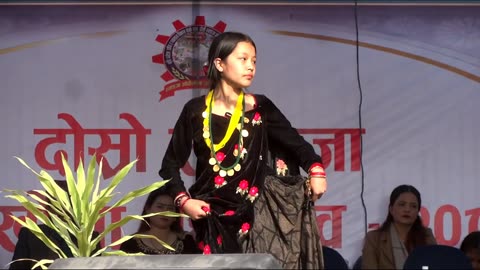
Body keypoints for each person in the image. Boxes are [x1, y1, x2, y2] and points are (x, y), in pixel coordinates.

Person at [158, 31, 327, 266]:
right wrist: (184, 202)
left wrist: (316, 170)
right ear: (219, 63)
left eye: (254, 61)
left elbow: (297, 145)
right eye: (243, 59)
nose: (251, 67)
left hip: (257, 212)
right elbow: (170, 165)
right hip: (211, 215)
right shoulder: (195, 111)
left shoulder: (260, 107)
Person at [9, 180, 100, 269]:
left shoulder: (90, 238)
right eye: (57, 203)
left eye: (68, 204)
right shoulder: (30, 235)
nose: (62, 209)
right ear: (47, 206)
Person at [361, 184, 437, 269]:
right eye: (402, 204)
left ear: (417, 212)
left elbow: (434, 265)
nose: (407, 209)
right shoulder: (374, 238)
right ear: (391, 209)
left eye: (413, 206)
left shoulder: (426, 236)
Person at [119, 186, 198, 254]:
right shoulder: (131, 244)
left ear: (176, 215)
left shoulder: (187, 242)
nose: (165, 212)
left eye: (170, 208)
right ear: (148, 209)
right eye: (160, 207)